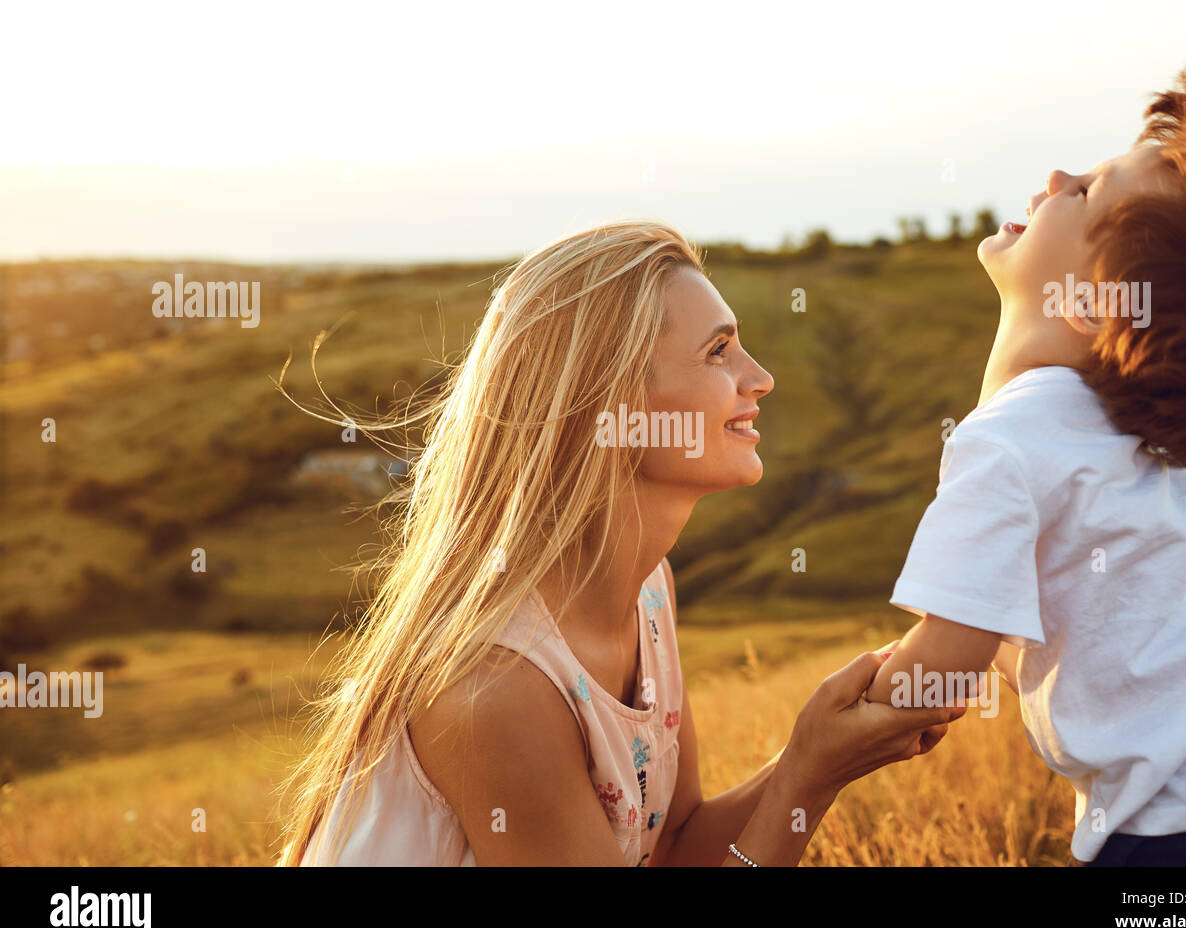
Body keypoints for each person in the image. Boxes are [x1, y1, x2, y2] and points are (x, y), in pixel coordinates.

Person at [277, 219, 963, 866]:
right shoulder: (495, 685)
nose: (759, 378)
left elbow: (676, 846)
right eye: (718, 351)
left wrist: (819, 751)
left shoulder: (647, 591)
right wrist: (809, 778)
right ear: (612, 405)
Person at [865, 29, 1186, 865]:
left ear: (1104, 304)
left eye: (1089, 190)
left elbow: (945, 670)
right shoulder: (1113, 440)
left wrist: (853, 708)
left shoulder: (1007, 440)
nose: (1059, 176)